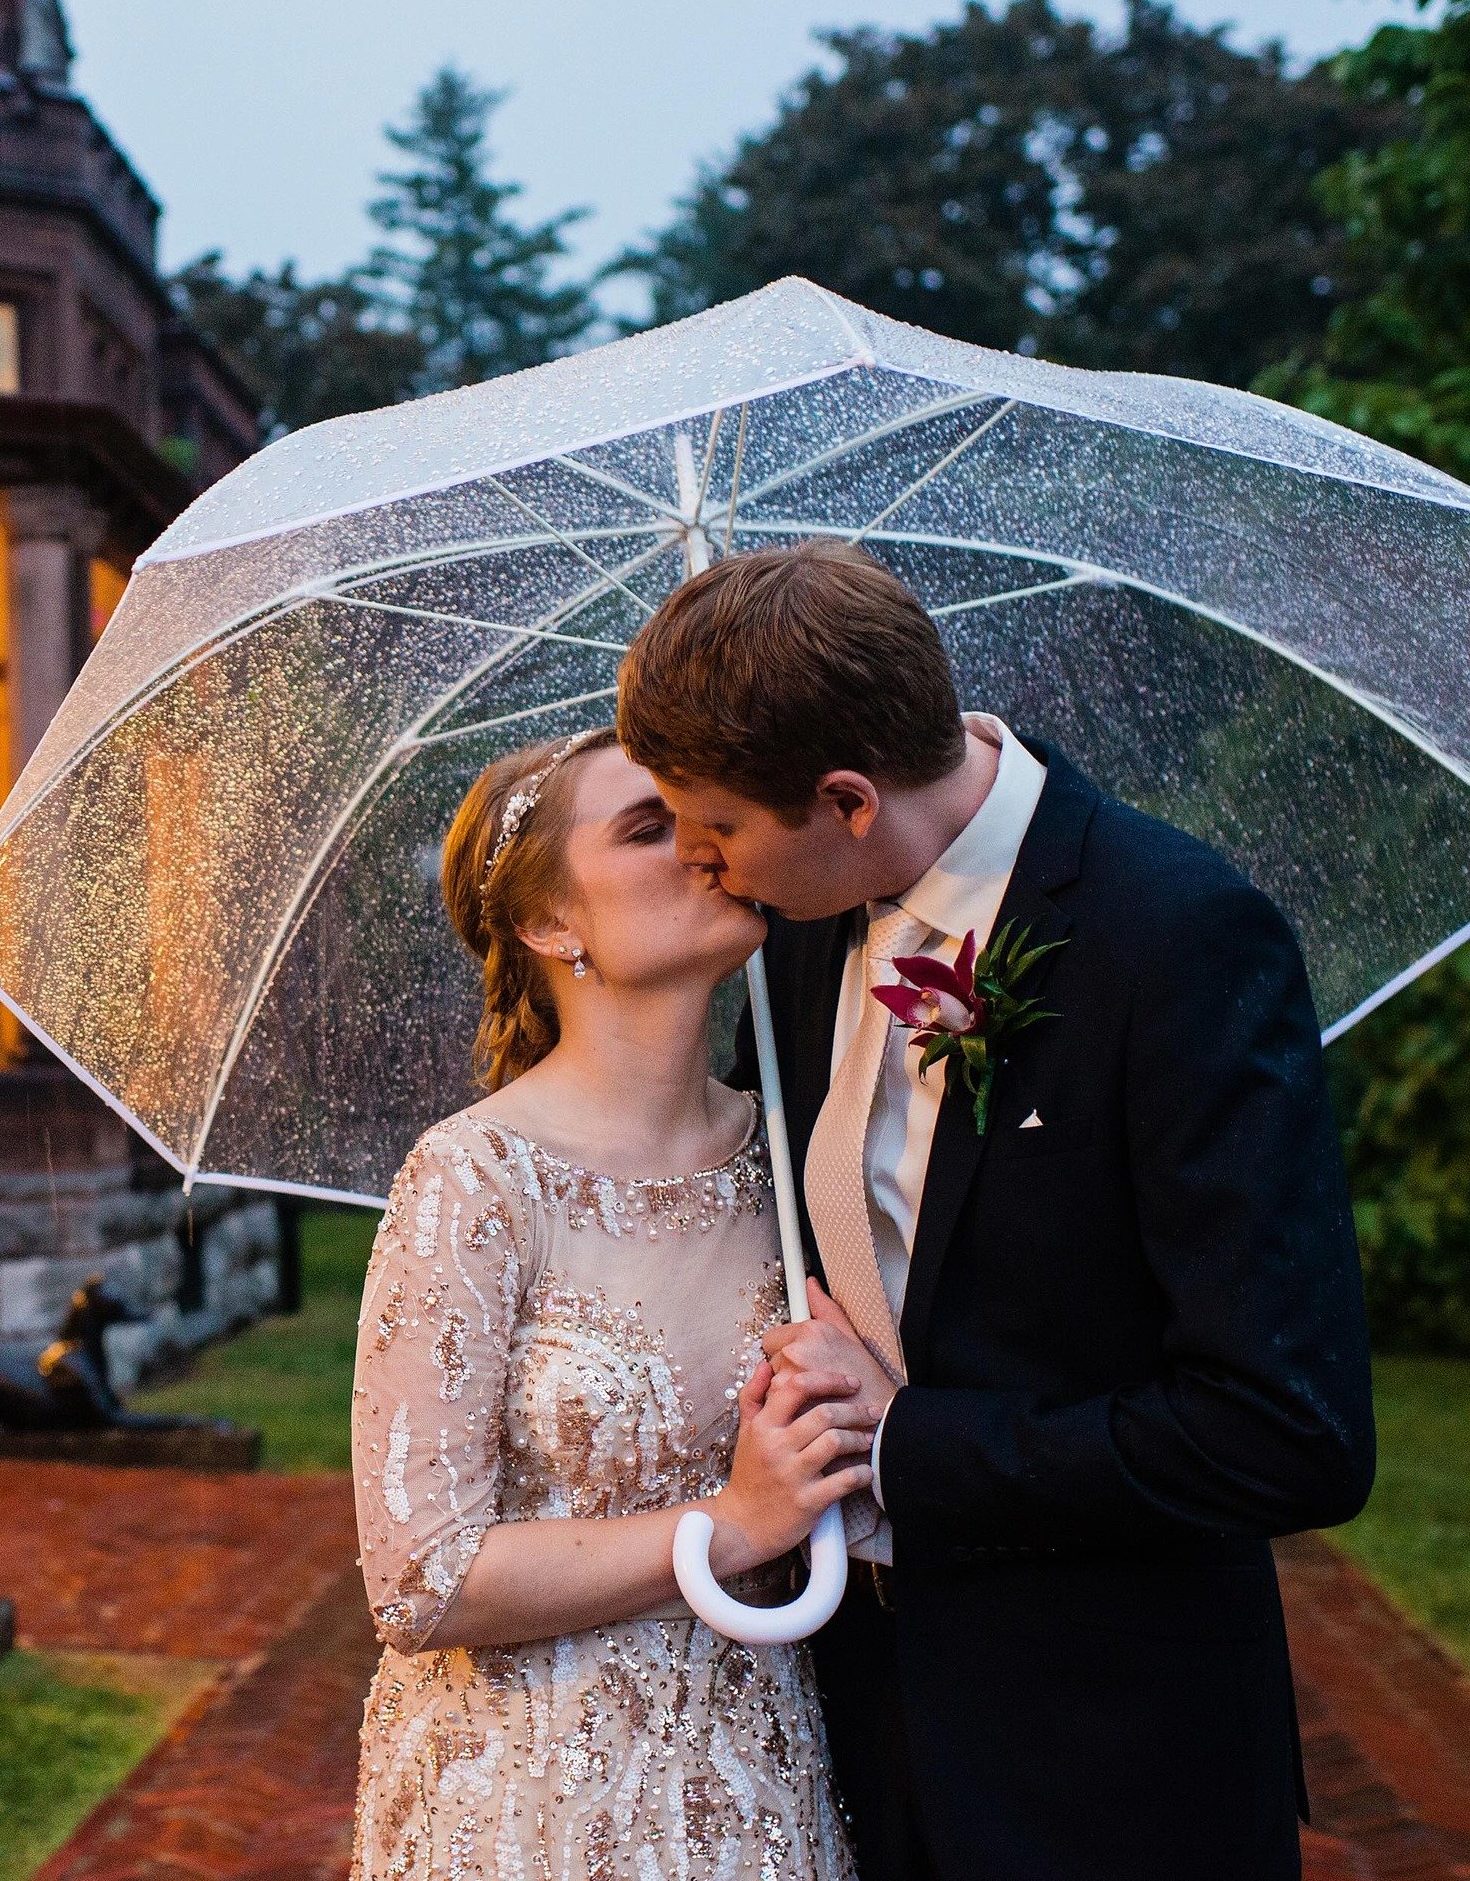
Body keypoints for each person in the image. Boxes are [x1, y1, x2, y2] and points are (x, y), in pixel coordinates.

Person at [615, 538, 1376, 1881]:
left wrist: (909, 1447)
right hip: (855, 1710)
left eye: (717, 827)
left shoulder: (1178, 939)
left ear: (848, 797)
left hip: (1109, 1755)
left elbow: (1288, 1433)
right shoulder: (796, 924)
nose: (698, 863)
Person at [350, 726, 863, 1881]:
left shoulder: (791, 1164)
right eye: (644, 827)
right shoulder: (472, 1179)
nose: (699, 847)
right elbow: (420, 1576)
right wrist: (729, 1526)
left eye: (698, 814)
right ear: (549, 924)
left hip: (756, 1786)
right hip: (525, 1797)